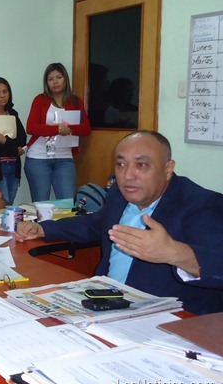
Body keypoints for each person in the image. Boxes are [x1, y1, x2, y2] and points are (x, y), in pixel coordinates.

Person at [15, 131, 223, 315]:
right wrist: (43, 227)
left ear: (168, 169)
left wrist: (173, 252)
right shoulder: (119, 195)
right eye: (121, 164)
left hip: (167, 321)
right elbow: (94, 224)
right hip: (104, 305)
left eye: (141, 165)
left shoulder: (202, 205)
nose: (128, 175)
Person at [24, 63, 91, 202]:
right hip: (38, 158)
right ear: (46, 83)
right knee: (41, 205)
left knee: (67, 204)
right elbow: (31, 127)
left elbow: (86, 128)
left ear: (65, 79)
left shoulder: (75, 101)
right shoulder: (40, 100)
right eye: (50, 79)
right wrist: (57, 130)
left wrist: (69, 129)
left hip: (65, 158)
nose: (55, 82)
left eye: (59, 77)